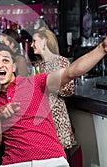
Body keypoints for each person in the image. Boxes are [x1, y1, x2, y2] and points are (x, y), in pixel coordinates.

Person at [0, 24, 107, 167]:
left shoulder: (35, 83)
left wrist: (101, 49)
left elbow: (70, 72)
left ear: (14, 67)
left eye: (5, 61)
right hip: (14, 163)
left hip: (50, 160)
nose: (0, 65)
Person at [30, 27, 77, 158]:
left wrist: (49, 85)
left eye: (34, 41)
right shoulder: (37, 66)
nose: (31, 45)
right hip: (42, 120)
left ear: (44, 41)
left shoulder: (60, 61)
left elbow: (69, 90)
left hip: (57, 118)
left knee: (60, 159)